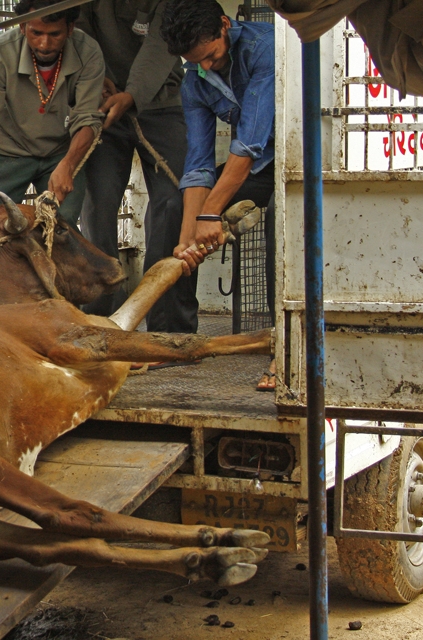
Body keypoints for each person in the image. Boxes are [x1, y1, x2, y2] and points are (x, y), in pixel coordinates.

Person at [0, 0, 105, 277]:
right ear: (22, 26)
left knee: (61, 236)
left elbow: (88, 119)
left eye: (54, 34)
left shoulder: (89, 52)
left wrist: (67, 164)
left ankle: (57, 315)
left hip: (61, 154)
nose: (44, 44)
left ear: (71, 28)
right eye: (36, 33)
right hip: (6, 152)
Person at [160, 0, 276, 389]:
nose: (205, 67)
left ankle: (288, 355)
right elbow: (199, 165)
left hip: (301, 159)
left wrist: (209, 216)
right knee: (175, 210)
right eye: (196, 62)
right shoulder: (194, 76)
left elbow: (248, 145)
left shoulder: (263, 49)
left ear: (225, 26)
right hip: (258, 164)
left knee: (287, 238)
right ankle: (171, 342)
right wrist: (186, 240)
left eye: (210, 56)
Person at [76, 0, 197, 334]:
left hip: (163, 101)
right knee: (97, 204)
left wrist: (132, 94)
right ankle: (101, 322)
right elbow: (78, 30)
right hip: (103, 102)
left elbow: (160, 45)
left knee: (173, 202)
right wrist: (95, 79)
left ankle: (170, 327)